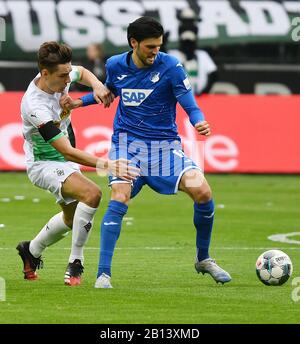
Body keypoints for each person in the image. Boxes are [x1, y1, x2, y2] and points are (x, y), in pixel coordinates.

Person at [61, 17, 231, 288]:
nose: (155, 51)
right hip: (127, 145)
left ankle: (203, 258)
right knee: (119, 196)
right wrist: (78, 103)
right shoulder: (115, 64)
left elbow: (190, 104)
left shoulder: (172, 66)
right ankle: (103, 274)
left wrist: (198, 120)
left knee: (204, 193)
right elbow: (109, 93)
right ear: (134, 43)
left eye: (159, 46)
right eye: (150, 46)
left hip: (165, 147)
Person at [17, 41, 139, 286]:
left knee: (73, 219)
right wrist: (109, 165)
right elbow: (66, 151)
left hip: (64, 160)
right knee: (92, 194)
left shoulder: (60, 73)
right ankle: (76, 261)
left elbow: (81, 71)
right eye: (63, 76)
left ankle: (31, 249)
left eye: (67, 73)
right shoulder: (35, 106)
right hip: (44, 163)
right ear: (44, 74)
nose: (67, 80)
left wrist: (97, 86)